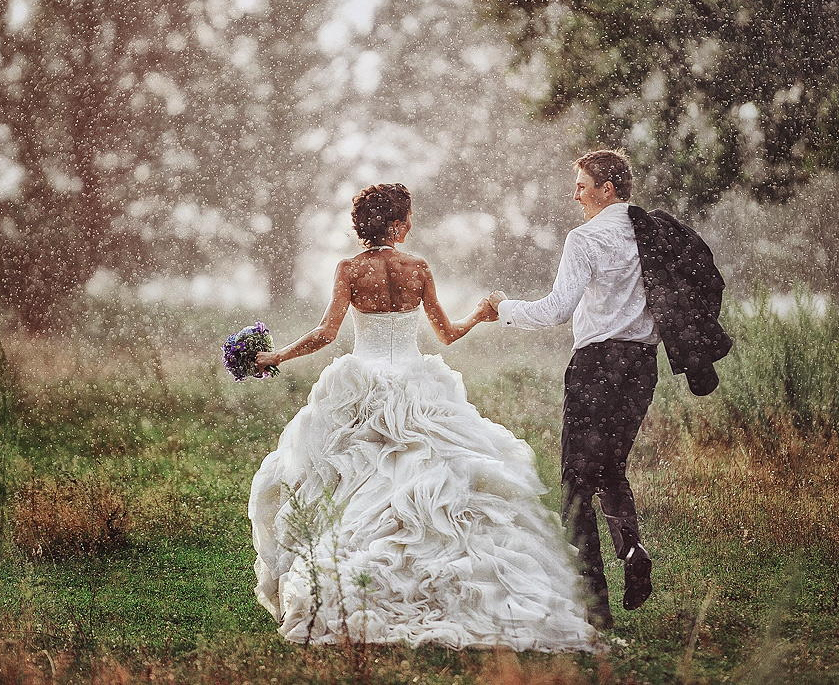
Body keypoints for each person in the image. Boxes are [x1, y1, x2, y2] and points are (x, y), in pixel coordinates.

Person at [248, 182, 607, 653]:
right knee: (433, 474)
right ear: (398, 223)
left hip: (361, 384)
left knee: (349, 478)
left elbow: (326, 333)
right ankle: (468, 583)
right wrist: (480, 313)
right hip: (419, 382)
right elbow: (447, 334)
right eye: (408, 217)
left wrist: (274, 357)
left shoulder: (351, 270)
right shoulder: (417, 269)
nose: (411, 224)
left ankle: (348, 573)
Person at [484, 148, 730, 630]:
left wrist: (504, 308)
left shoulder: (585, 239)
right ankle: (632, 548)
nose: (575, 193)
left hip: (596, 366)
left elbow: (557, 310)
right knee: (610, 467)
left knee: (576, 483)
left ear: (608, 189)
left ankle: (593, 606)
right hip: (642, 366)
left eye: (582, 184)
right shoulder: (651, 233)